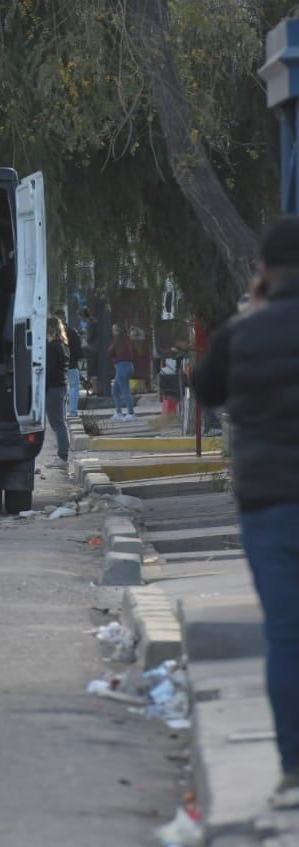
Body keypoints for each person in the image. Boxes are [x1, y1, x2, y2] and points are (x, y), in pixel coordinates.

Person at [191, 215, 299, 810]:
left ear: (263, 273)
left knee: (286, 635)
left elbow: (204, 389)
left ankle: (292, 768)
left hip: (269, 502)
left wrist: (248, 313)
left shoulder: (242, 334)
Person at [45, 317, 71, 466]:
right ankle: (62, 455)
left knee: (57, 423)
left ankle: (62, 457)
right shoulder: (63, 345)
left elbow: (50, 370)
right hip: (61, 385)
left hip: (54, 388)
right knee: (60, 422)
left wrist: (43, 386)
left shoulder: (52, 346)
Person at [107, 322, 138, 421]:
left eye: (115, 330)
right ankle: (119, 412)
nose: (113, 332)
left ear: (120, 331)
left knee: (125, 390)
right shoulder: (127, 339)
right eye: (112, 330)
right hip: (126, 366)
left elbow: (110, 352)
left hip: (122, 366)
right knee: (115, 390)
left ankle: (131, 413)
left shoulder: (119, 340)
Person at [55, 308, 83, 416]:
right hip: (71, 364)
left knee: (61, 389)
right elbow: (78, 349)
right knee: (74, 388)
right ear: (65, 318)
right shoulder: (71, 331)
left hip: (59, 367)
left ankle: (62, 412)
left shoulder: (54, 334)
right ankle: (72, 411)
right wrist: (76, 358)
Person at [79, 307, 100, 394]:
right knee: (93, 370)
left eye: (80, 317)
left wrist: (84, 336)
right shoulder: (94, 321)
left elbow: (89, 338)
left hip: (92, 349)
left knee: (92, 370)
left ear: (83, 316)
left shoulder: (91, 323)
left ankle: (94, 389)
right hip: (96, 348)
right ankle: (93, 388)